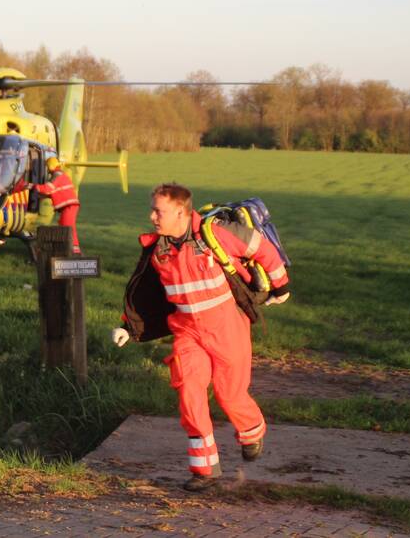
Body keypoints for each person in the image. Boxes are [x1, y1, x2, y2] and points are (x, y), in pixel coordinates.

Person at [113, 182, 290, 493]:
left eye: (158, 211)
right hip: (187, 332)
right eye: (153, 210)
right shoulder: (158, 251)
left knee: (229, 394)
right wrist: (128, 327)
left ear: (181, 213)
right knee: (189, 392)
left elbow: (261, 248)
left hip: (227, 326)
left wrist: (281, 286)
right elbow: (146, 293)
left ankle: (251, 429)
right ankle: (204, 470)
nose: (152, 217)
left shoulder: (214, 234)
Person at [34, 157, 81, 254]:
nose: (47, 170)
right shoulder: (60, 174)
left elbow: (47, 189)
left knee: (67, 228)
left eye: (47, 167)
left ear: (50, 166)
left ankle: (73, 251)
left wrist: (34, 186)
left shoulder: (56, 175)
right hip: (69, 206)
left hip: (69, 206)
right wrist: (41, 195)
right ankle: (70, 249)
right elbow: (53, 192)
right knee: (65, 226)